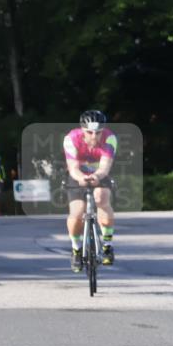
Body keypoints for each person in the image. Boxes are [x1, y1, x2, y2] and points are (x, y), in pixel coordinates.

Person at [64, 110, 118, 271]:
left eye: (98, 132)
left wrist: (96, 176)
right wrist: (81, 177)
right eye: (89, 132)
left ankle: (107, 245)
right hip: (77, 175)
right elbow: (73, 168)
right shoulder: (71, 138)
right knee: (77, 212)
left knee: (101, 198)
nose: (94, 136)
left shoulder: (110, 138)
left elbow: (104, 167)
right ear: (82, 130)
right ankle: (76, 249)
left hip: (100, 174)